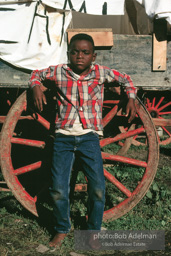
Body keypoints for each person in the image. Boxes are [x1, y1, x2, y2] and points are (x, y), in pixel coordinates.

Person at [29, 33, 137, 248]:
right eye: (75, 52)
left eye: (85, 53)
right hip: (63, 138)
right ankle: (62, 229)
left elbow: (126, 78)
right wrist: (35, 86)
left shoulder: (101, 73)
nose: (80, 56)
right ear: (68, 54)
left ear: (93, 56)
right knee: (59, 188)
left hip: (89, 137)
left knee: (97, 186)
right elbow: (36, 74)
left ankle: (93, 230)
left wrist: (131, 97)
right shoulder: (59, 72)